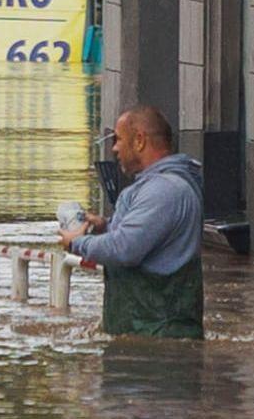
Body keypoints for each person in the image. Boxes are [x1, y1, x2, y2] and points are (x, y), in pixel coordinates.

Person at [57, 104, 204, 338]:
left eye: (118, 139)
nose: (114, 148)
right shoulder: (158, 187)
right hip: (147, 336)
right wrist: (105, 226)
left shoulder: (163, 191)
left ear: (139, 141)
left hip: (158, 343)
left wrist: (77, 243)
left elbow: (124, 249)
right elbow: (140, 239)